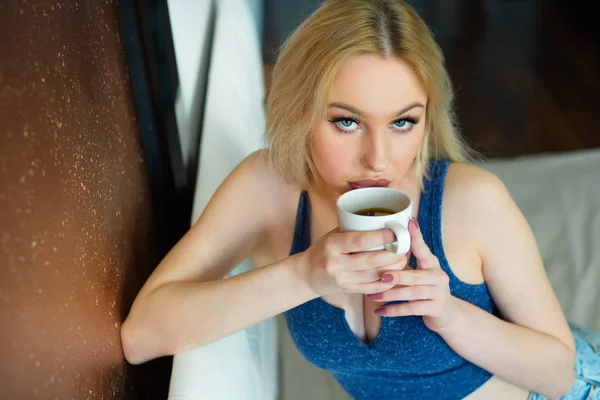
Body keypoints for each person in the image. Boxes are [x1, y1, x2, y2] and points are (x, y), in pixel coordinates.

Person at [120, 1, 600, 399]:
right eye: (347, 122)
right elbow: (142, 335)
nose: (378, 159)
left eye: (403, 122)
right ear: (300, 110)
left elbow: (559, 373)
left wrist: (450, 315)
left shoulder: (473, 202)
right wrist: (302, 274)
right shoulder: (268, 190)